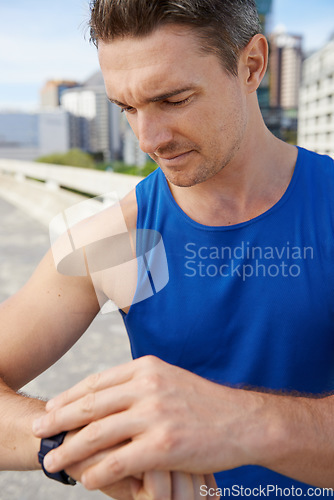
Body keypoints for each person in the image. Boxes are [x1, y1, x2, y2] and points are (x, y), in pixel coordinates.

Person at [1, 0, 334, 498]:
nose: (149, 139)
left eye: (174, 99)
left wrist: (241, 422)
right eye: (127, 108)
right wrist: (79, 441)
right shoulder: (112, 237)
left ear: (252, 66)